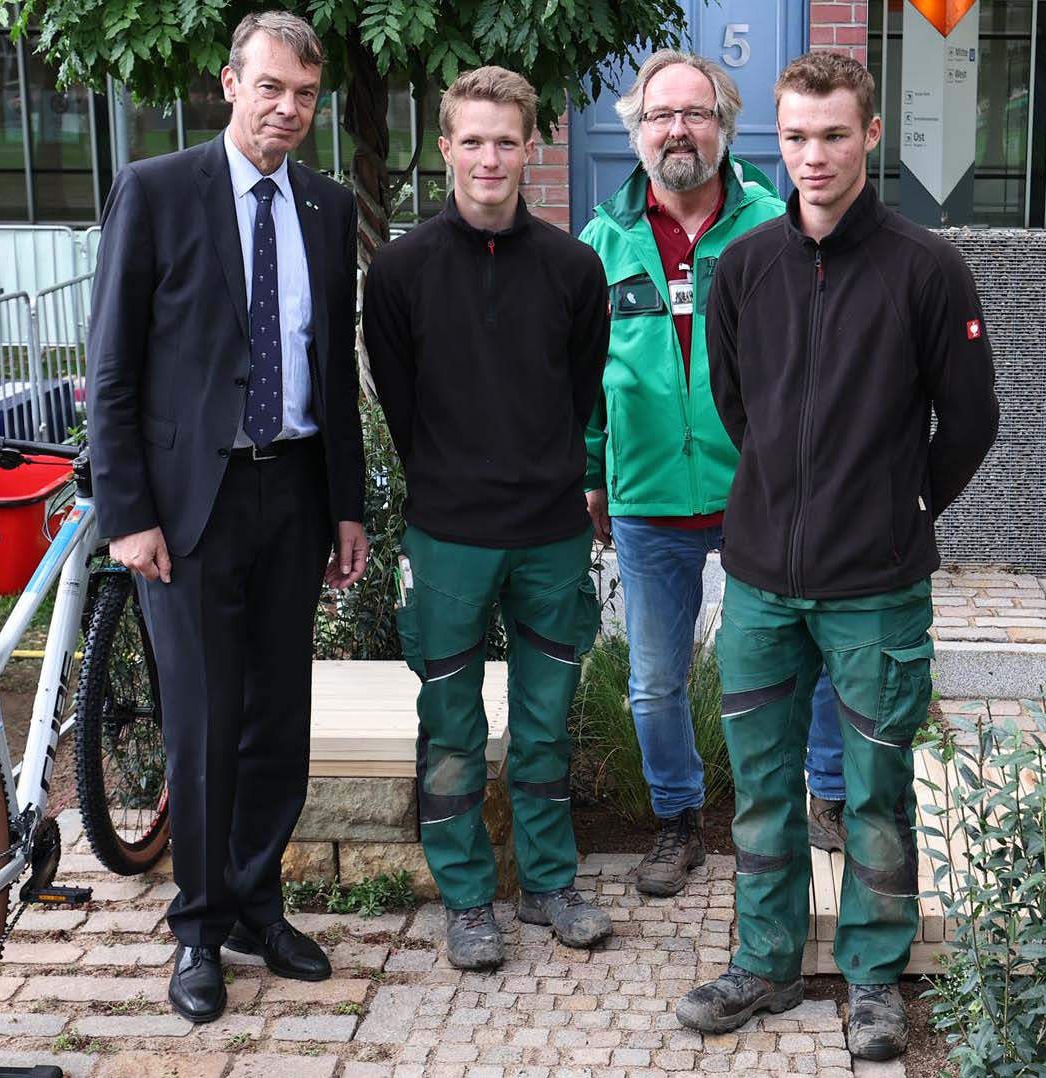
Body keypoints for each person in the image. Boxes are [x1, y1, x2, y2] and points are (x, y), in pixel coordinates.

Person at [676, 51, 1000, 1061]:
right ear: (778, 139)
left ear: (869, 138)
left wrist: (903, 506)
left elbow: (974, 421)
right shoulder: (746, 269)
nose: (812, 157)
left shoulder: (927, 269)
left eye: (832, 135)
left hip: (875, 589)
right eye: (796, 136)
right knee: (764, 787)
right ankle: (765, 964)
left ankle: (872, 978)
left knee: (876, 790)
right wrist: (781, 495)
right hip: (764, 582)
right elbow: (736, 405)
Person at [85, 10, 366, 1024]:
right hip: (186, 507)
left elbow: (332, 369)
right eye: (271, 88)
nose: (288, 110)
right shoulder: (156, 192)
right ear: (228, 82)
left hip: (292, 492)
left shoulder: (329, 209)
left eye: (304, 95)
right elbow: (111, 365)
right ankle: (197, 930)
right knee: (203, 723)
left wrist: (347, 505)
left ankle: (257, 902)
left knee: (276, 719)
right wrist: (128, 513)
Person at [577, 50, 853, 899]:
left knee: (805, 657)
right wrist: (592, 470)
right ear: (637, 131)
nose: (678, 130)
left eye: (696, 114)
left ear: (725, 128)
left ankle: (830, 799)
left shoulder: (775, 224)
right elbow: (584, 372)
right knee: (654, 680)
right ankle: (677, 823)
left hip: (759, 495)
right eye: (661, 116)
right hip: (648, 497)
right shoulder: (603, 239)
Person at [362, 66, 613, 973]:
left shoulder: (575, 269)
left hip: (550, 533)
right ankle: (468, 900)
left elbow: (581, 389)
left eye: (507, 140)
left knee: (547, 721)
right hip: (450, 536)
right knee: (452, 724)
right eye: (472, 140)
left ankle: (549, 884)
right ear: (445, 149)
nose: (490, 157)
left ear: (533, 146)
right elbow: (399, 400)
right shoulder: (399, 271)